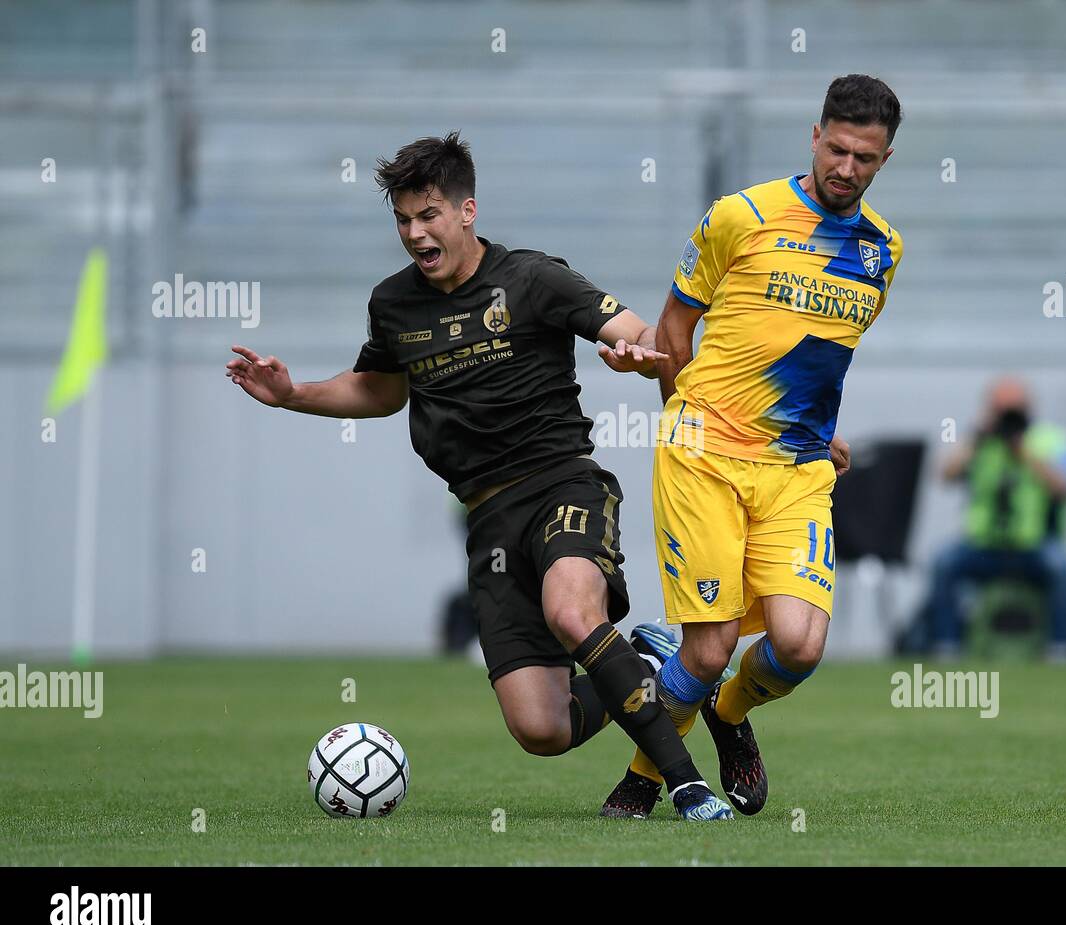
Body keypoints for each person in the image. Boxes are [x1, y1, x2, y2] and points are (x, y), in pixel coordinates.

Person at [225, 132, 731, 820]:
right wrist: (292, 395)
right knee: (540, 728)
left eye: (428, 215)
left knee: (570, 611)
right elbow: (379, 391)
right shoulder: (394, 305)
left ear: (466, 211)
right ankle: (650, 659)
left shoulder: (531, 278)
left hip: (564, 484)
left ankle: (686, 786)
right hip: (487, 517)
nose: (414, 232)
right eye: (403, 219)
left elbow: (625, 322)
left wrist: (635, 351)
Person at [599, 75, 904, 818]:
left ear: (884, 160)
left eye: (865, 158)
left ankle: (728, 715)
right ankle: (644, 780)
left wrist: (818, 431)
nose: (846, 168)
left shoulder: (881, 251)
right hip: (703, 453)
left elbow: (819, 354)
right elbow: (674, 331)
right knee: (705, 649)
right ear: (813, 136)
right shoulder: (740, 216)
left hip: (796, 470)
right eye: (837, 149)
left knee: (799, 647)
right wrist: (689, 420)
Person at [931, 376, 1066, 657]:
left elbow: (1065, 489)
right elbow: (945, 475)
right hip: (983, 545)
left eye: (1014, 410)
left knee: (1061, 565)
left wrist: (1024, 451)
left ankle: (1061, 648)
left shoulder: (1049, 439)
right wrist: (978, 437)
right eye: (1002, 410)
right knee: (943, 562)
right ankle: (946, 646)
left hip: (1032, 545)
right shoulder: (980, 441)